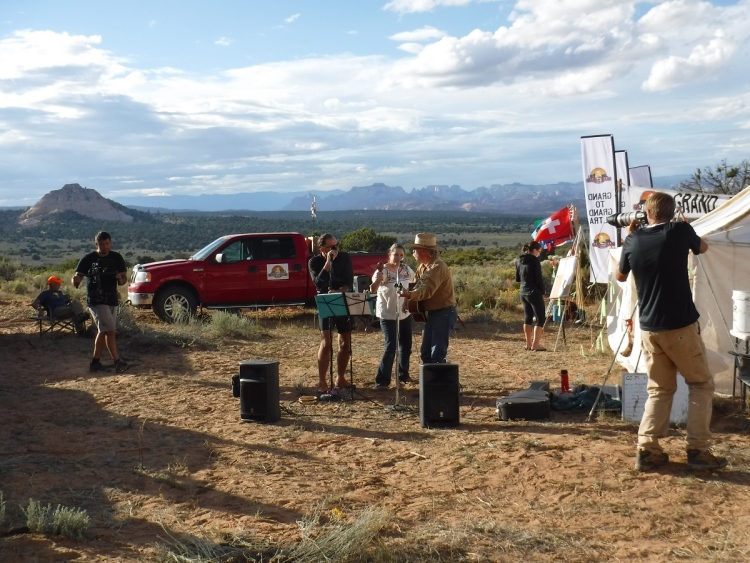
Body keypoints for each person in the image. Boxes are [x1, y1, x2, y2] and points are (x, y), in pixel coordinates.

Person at [616, 192, 727, 471]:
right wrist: (686, 227)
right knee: (700, 384)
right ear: (673, 212)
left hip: (649, 328)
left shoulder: (633, 239)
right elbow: (703, 248)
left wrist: (632, 237)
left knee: (659, 389)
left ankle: (647, 449)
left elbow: (620, 275)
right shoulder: (679, 231)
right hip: (680, 326)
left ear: (646, 214)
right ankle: (698, 449)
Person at [73, 231, 129, 373]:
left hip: (111, 298)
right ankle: (117, 362)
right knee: (110, 331)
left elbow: (124, 279)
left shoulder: (116, 257)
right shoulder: (88, 259)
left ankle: (95, 362)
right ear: (96, 244)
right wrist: (75, 280)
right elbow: (77, 276)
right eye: (102, 244)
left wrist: (120, 278)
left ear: (110, 243)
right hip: (96, 299)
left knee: (103, 331)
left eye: (107, 243)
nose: (105, 247)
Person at [399, 233, 457, 364]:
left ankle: (438, 376)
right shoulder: (423, 266)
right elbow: (414, 285)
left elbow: (427, 290)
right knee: (426, 354)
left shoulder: (438, 266)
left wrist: (409, 295)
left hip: (444, 313)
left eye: (415, 249)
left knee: (436, 355)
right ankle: (431, 376)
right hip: (433, 314)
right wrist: (407, 300)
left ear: (424, 251)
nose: (413, 252)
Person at [308, 233, 354, 392]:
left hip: (341, 299)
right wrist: (328, 262)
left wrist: (339, 291)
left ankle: (340, 378)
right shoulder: (314, 262)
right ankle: (322, 382)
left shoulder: (344, 257)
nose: (336, 249)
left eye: (337, 245)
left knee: (345, 342)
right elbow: (318, 282)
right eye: (332, 247)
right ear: (322, 249)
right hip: (325, 301)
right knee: (326, 342)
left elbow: (349, 282)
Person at [370, 243, 416, 389]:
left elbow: (413, 285)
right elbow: (372, 289)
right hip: (387, 314)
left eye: (401, 255)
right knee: (391, 347)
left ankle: (403, 374)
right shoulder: (383, 270)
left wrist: (408, 300)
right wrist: (378, 279)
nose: (398, 258)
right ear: (389, 255)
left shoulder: (406, 269)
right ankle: (382, 380)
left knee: (406, 346)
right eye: (395, 254)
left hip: (404, 313)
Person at [515, 241, 547, 351]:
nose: (539, 254)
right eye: (539, 251)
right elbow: (539, 279)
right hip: (534, 292)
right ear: (534, 250)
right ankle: (535, 345)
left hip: (523, 292)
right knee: (540, 318)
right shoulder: (534, 261)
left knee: (527, 318)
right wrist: (543, 291)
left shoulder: (519, 260)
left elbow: (517, 278)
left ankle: (528, 344)